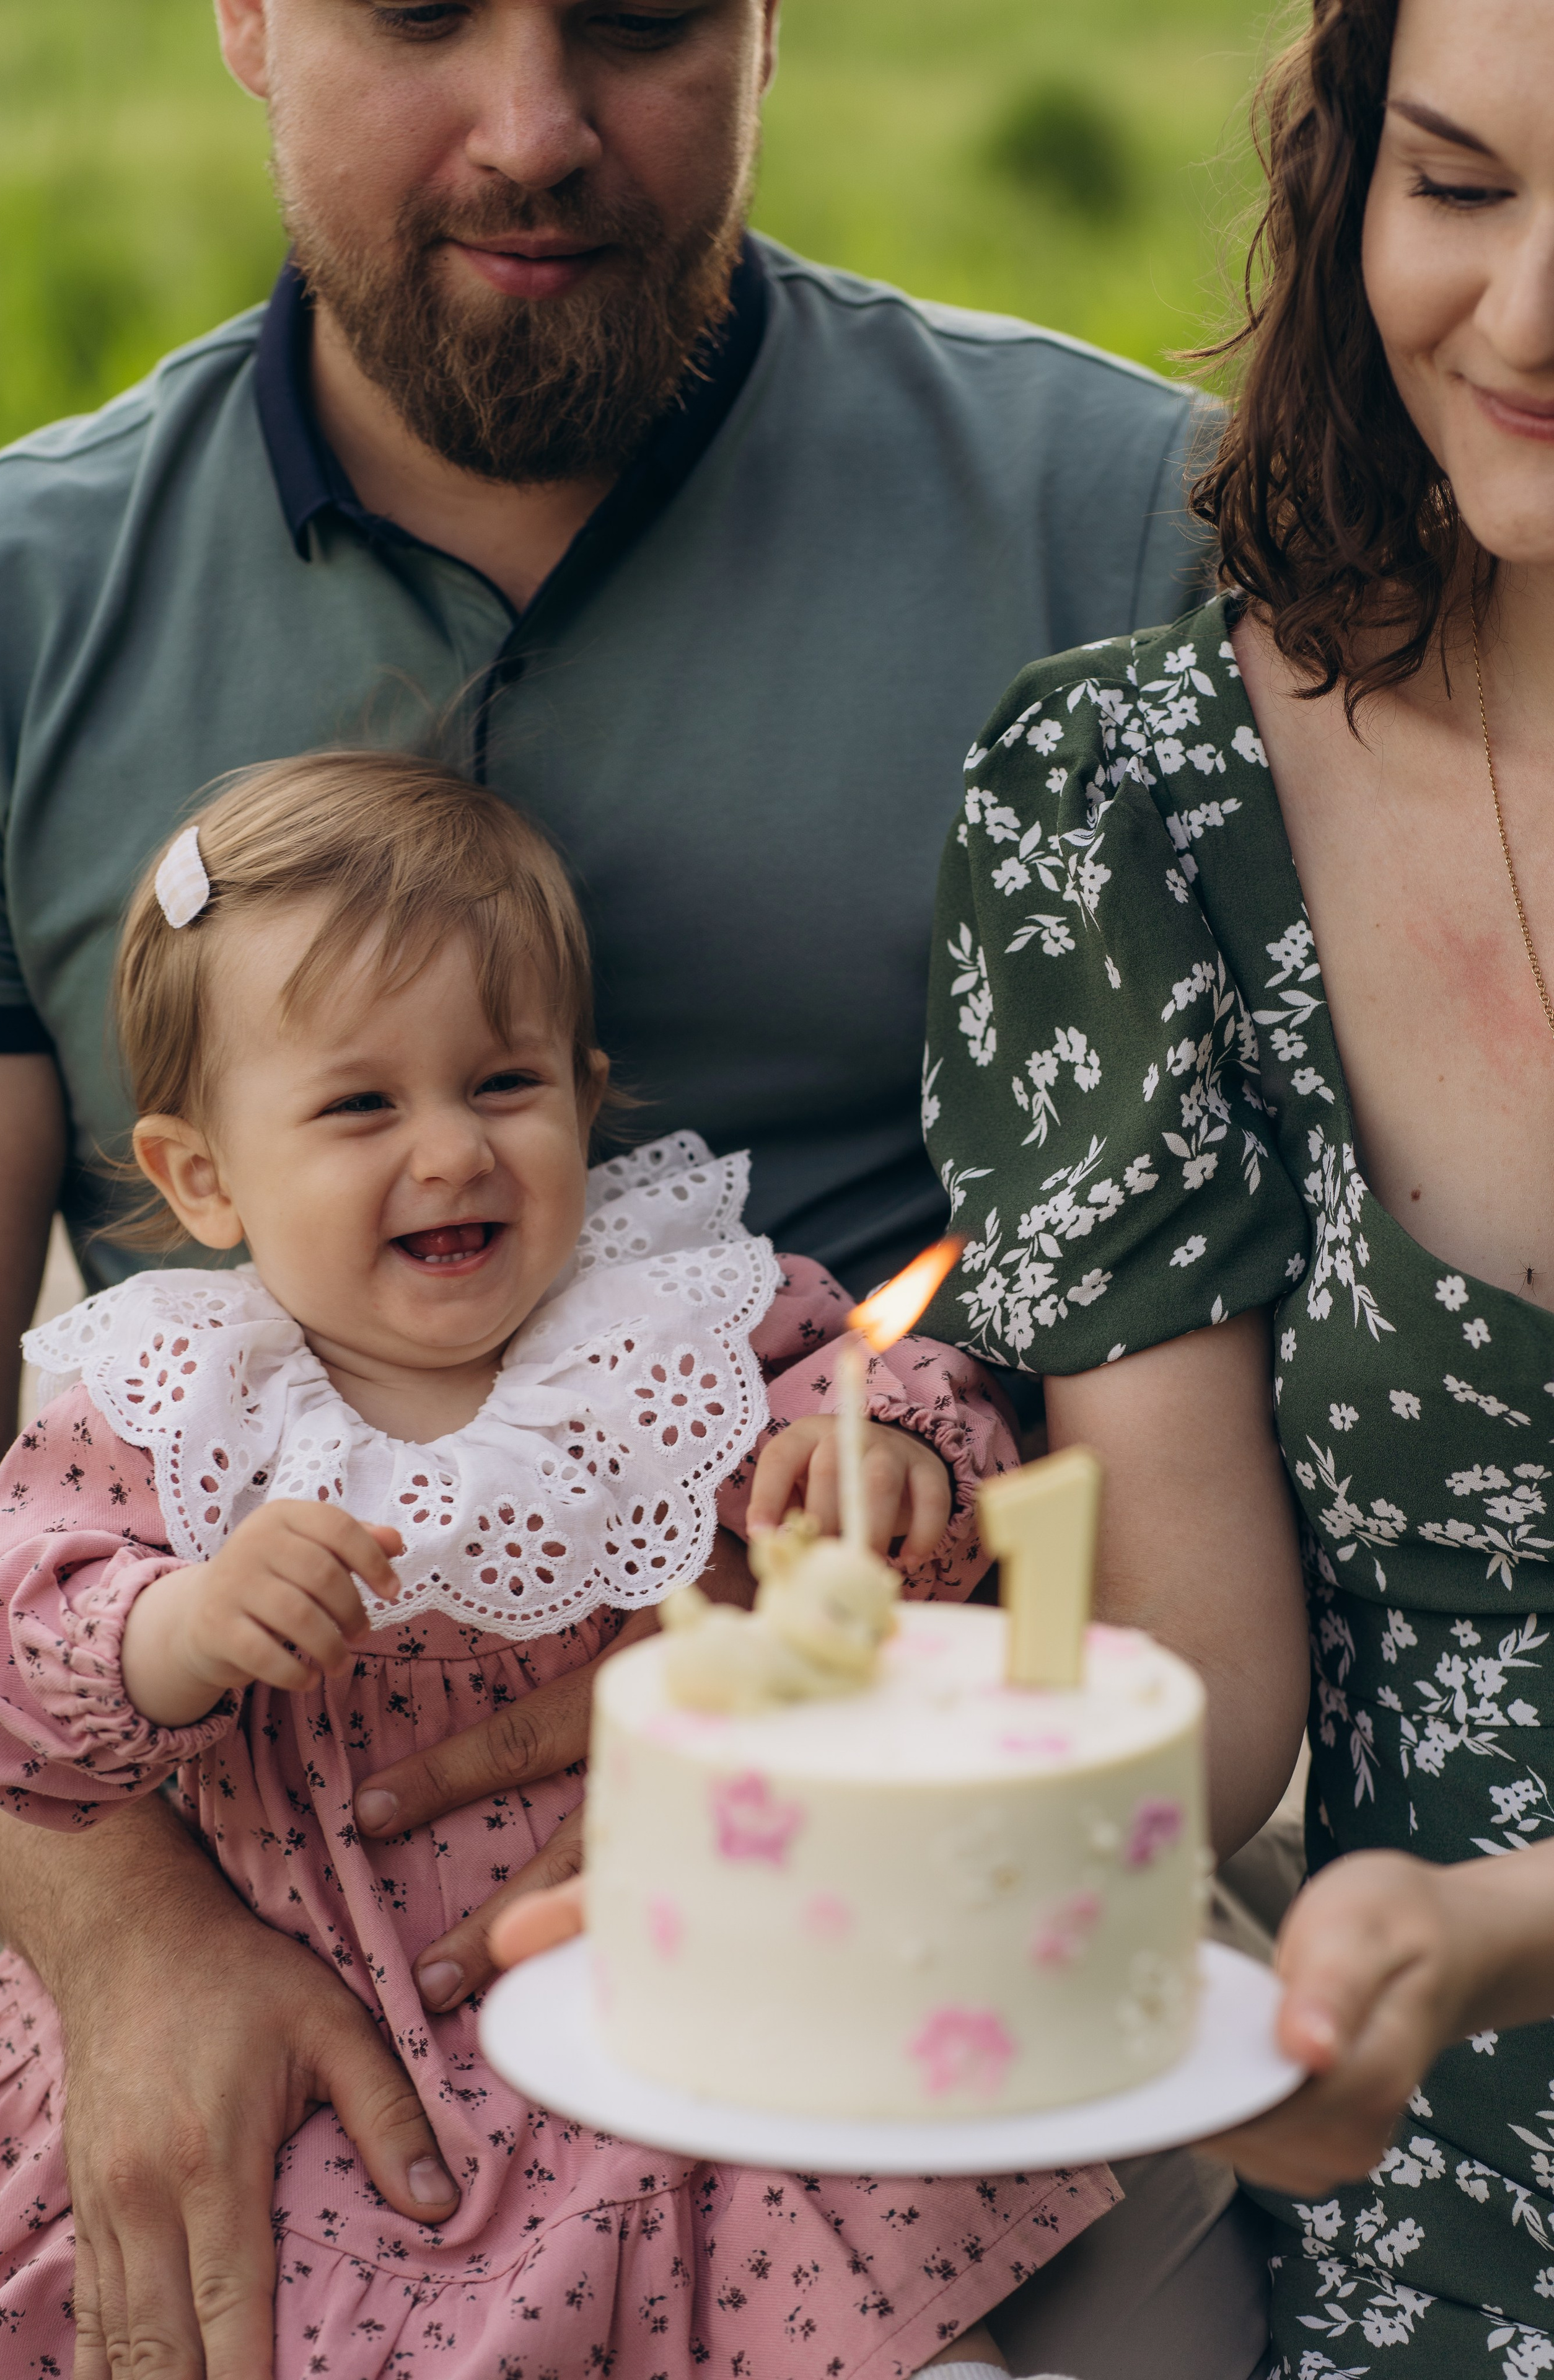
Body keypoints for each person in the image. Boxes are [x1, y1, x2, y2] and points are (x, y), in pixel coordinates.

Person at [0, 0, 1232, 2370]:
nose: (535, 129)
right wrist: (126, 1944)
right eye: (423, 12)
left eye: (646, 17)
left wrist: (853, 1683)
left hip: (893, 1863)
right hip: (223, 1882)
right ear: (242, 15)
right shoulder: (2, 607)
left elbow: (1141, 1440)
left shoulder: (1121, 523)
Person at [0, 746, 1077, 2374]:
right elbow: (19, 1682)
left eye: (502, 1084)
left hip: (655, 1985)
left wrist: (885, 1475)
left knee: (856, 2321)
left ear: (583, 1088)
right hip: (314, 2024)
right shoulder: (168, 1408)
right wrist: (184, 1628)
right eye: (360, 1103)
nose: (451, 1151)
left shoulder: (676, 1325)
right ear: (203, 1177)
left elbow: (898, 1408)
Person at [920, 0, 1554, 2368]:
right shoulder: (1140, 801)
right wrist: (829, 1841)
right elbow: (1203, 1693)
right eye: (1462, 188)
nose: (1526, 320)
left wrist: (1497, 1932)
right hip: (1436, 2154)